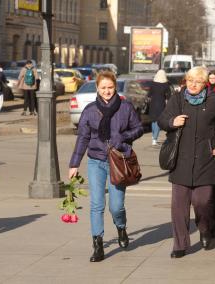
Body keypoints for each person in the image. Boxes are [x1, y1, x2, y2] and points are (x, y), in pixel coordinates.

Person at [158, 66, 215, 258]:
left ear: (205, 83)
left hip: (206, 160)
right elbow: (162, 119)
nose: (193, 84)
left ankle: (205, 228)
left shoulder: (214, 101)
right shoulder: (177, 99)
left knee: (203, 202)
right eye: (190, 80)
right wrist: (172, 122)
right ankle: (180, 245)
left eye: (198, 81)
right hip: (180, 161)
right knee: (179, 207)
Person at [68, 71, 143, 262]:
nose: (107, 91)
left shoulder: (125, 107)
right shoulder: (90, 110)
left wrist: (123, 137)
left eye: (110, 87)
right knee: (97, 204)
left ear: (115, 87)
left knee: (116, 206)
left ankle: (121, 228)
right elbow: (83, 138)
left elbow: (139, 128)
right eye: (103, 88)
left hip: (118, 161)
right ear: (97, 88)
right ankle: (98, 244)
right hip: (96, 161)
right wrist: (74, 164)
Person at [148, 69, 171, 146]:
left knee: (153, 121)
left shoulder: (153, 84)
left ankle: (153, 137)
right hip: (161, 104)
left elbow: (149, 94)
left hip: (153, 104)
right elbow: (168, 96)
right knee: (158, 121)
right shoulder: (166, 84)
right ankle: (154, 138)